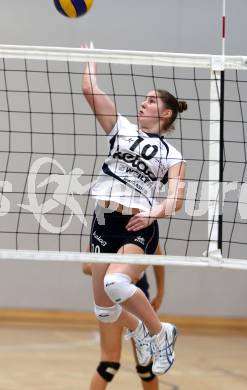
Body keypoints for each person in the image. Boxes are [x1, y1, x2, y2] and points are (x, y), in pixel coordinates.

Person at [82, 50, 186, 376]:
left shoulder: (172, 154)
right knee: (104, 311)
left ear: (166, 113)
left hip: (137, 223)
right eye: (144, 99)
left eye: (152, 100)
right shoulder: (121, 129)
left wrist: (156, 213)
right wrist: (89, 59)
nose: (143, 103)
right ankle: (140, 330)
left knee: (116, 281)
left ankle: (160, 332)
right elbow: (89, 89)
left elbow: (177, 198)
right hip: (103, 220)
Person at [82, 245, 165, 389]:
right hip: (109, 296)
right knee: (109, 364)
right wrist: (115, 273)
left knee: (146, 367)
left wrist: (160, 291)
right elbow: (85, 266)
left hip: (136, 295)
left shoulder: (142, 224)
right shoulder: (101, 226)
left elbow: (157, 255)